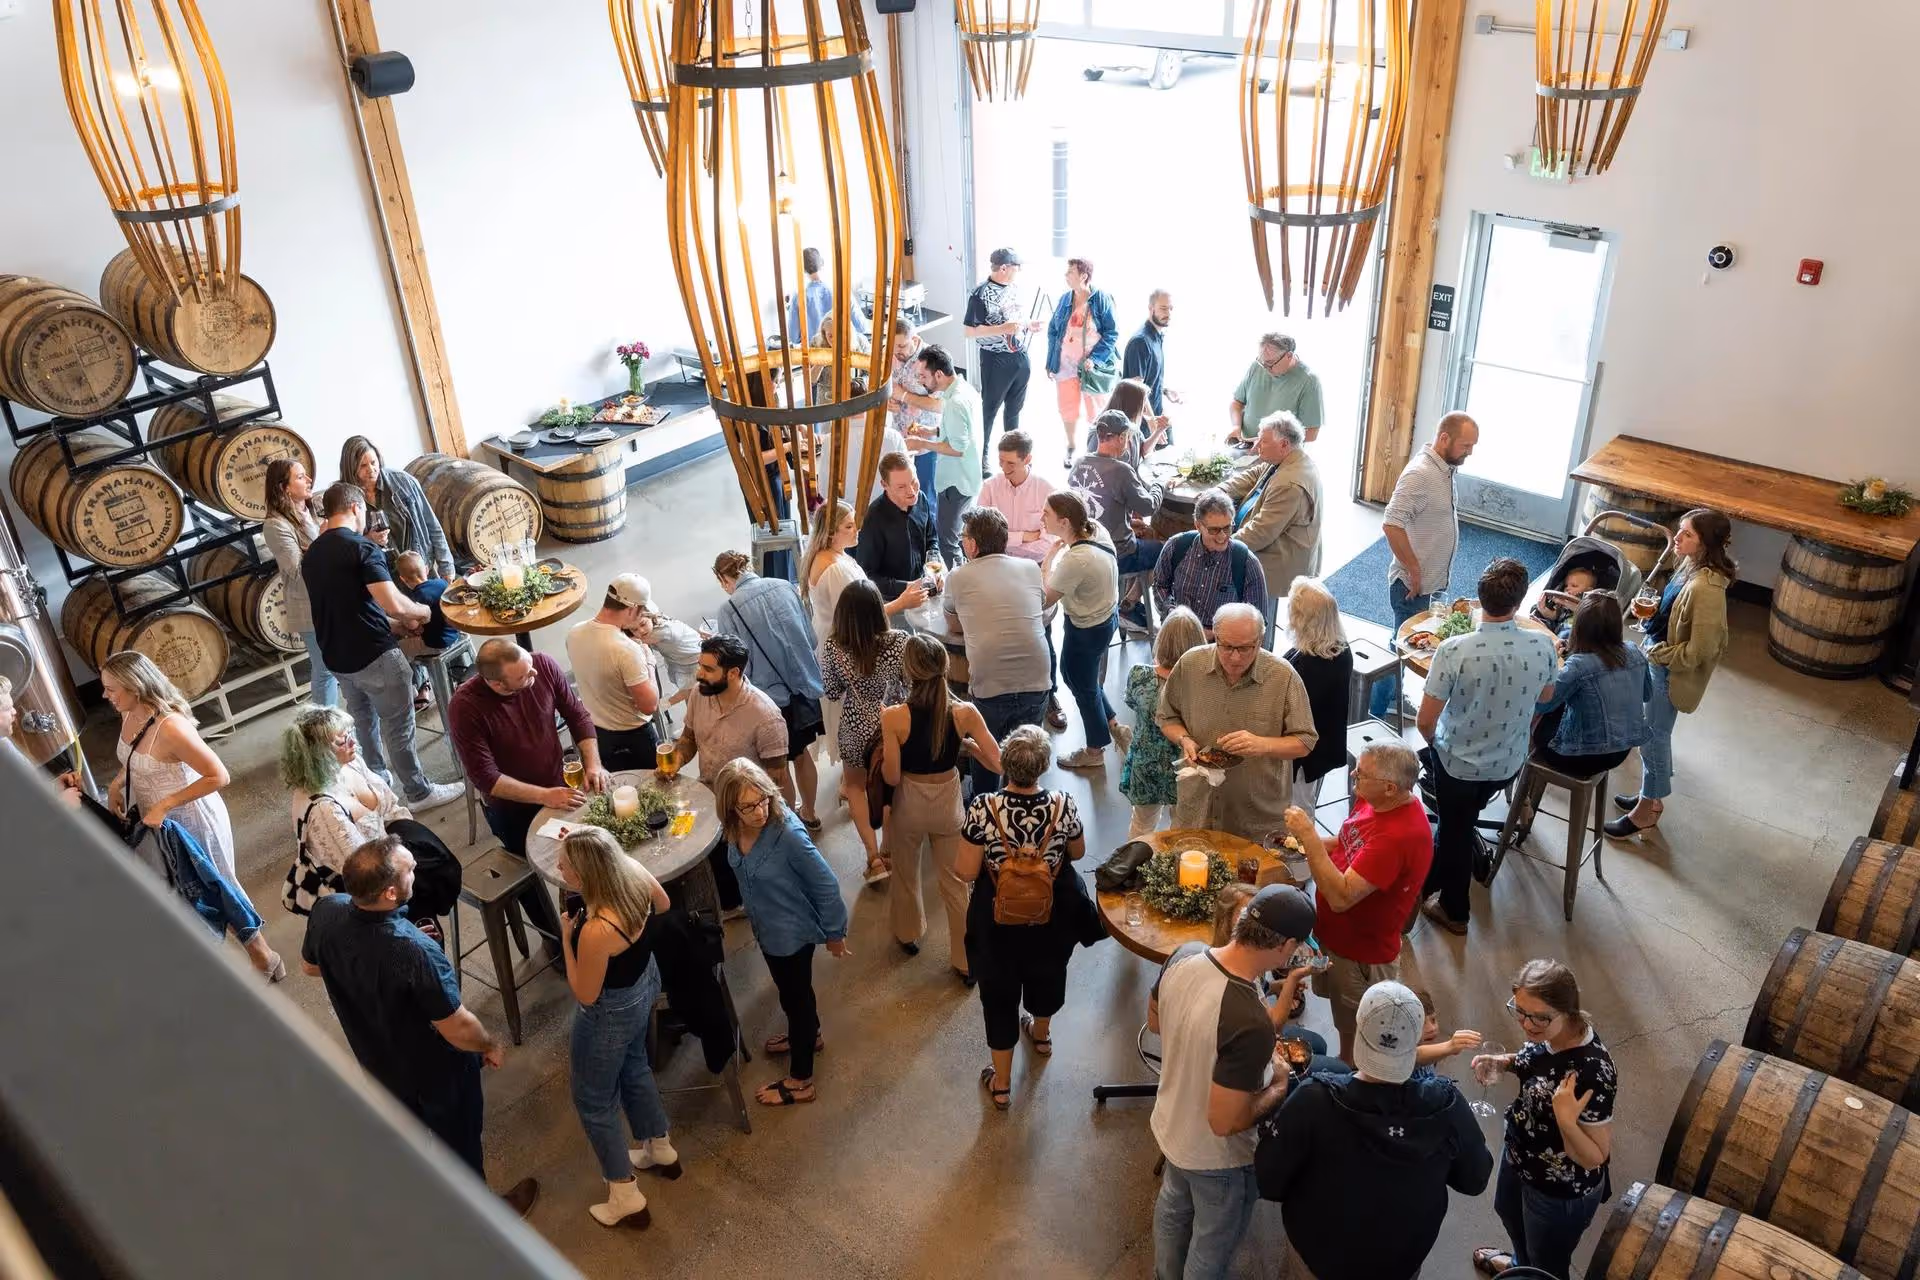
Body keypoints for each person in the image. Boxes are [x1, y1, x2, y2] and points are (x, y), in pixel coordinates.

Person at [301, 836, 538, 1217]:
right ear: (391, 893)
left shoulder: (328, 910)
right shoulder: (414, 950)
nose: (418, 871)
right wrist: (489, 1045)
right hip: (436, 1073)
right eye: (411, 869)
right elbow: (458, 1027)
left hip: (378, 1062)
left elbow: (310, 966)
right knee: (459, 1144)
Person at [1255, 981, 1493, 1280]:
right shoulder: (1445, 1104)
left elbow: (1268, 1180)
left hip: (1319, 1257)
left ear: (1359, 1030)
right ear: (1417, 1040)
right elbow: (1475, 1178)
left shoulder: (1313, 1100)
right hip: (1400, 1261)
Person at [1149, 884, 1318, 1280]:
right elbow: (1224, 1122)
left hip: (1172, 1126)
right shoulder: (1249, 1019)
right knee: (1211, 1245)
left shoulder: (1184, 959)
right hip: (1217, 1159)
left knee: (1173, 1211)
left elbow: (1160, 1022)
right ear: (1287, 945)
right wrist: (1279, 1084)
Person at [1416, 558, 1559, 936]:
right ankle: (1440, 867)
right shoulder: (1543, 646)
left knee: (1455, 829)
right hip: (1509, 761)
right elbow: (1545, 696)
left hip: (1458, 762)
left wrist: (1437, 747)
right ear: (1519, 601)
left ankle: (1454, 909)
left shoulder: (1453, 650)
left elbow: (1425, 721)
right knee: (1457, 822)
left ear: (1479, 600)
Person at [302, 482, 462, 811]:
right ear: (356, 508)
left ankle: (378, 785)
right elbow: (393, 604)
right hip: (374, 654)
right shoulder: (361, 548)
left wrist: (395, 624)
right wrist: (424, 611)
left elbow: (351, 609)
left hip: (337, 656)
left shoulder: (313, 554)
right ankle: (418, 792)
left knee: (364, 721)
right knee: (398, 726)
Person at [448, 640, 609, 953]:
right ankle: (557, 944)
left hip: (557, 786)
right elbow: (486, 777)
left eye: (530, 666)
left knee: (582, 857)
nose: (534, 672)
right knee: (529, 876)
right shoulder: (465, 707)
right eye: (523, 676)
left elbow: (577, 715)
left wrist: (594, 763)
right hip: (511, 808)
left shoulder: (542, 665)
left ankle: (589, 924)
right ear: (496, 684)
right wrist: (544, 796)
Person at [957, 725, 1088, 1110]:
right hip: (1049, 916)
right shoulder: (1064, 804)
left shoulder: (983, 807)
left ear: (1005, 764)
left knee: (998, 996)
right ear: (1044, 766)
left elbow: (965, 871)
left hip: (997, 919)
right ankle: (1041, 1035)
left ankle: (1001, 1084)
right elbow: (1077, 854)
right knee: (1048, 971)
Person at [556, 827, 678, 1228]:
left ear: (587, 875)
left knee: (593, 1101)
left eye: (565, 864)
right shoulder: (629, 870)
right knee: (634, 1064)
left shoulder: (597, 931)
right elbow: (663, 903)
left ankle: (624, 1193)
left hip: (610, 1012)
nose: (558, 867)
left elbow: (586, 994)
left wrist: (566, 939)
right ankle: (659, 1146)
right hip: (645, 985)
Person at [712, 758, 851, 1106]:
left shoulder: (787, 833)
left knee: (796, 999)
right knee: (793, 994)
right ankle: (809, 1034)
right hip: (768, 932)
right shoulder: (733, 830)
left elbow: (826, 885)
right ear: (730, 808)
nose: (760, 811)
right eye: (748, 805)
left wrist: (835, 933)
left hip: (791, 937)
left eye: (763, 800)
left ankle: (801, 1080)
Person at [1281, 741, 1431, 1062]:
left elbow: (1341, 897)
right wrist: (1299, 844)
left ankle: (1347, 1079)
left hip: (1360, 954)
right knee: (1341, 1016)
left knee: (1357, 1032)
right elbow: (1347, 840)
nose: (1353, 775)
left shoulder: (1397, 837)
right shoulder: (1376, 801)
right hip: (1336, 938)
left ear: (1391, 787)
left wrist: (1308, 835)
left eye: (1361, 773)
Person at [1470, 960, 1616, 1280]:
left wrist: (1566, 1121)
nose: (1526, 1024)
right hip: (1522, 1156)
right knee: (1508, 1214)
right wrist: (1503, 1062)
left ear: (1568, 1012)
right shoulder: (1548, 1037)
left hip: (1558, 1188)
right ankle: (1518, 1267)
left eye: (1538, 1017)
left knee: (1546, 1262)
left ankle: (1530, 1272)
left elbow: (1595, 1157)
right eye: (1519, 1011)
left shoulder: (1594, 1070)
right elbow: (1530, 1061)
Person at [880, 634, 1003, 983]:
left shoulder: (893, 717)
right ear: (945, 667)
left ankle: (908, 934)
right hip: (948, 802)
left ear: (908, 671)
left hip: (909, 802)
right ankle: (965, 962)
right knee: (955, 884)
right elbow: (997, 762)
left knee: (906, 872)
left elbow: (890, 777)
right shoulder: (964, 712)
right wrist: (967, 747)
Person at [1608, 508, 1734, 840]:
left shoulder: (1707, 590)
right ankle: (1649, 795)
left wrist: (1657, 652)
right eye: (1680, 530)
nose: (1676, 538)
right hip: (1658, 661)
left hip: (1669, 672)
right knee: (1649, 733)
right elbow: (1670, 614)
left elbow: (1701, 651)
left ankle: (1648, 810)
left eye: (1687, 534)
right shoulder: (1689, 567)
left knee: (1653, 737)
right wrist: (1647, 617)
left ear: (1705, 543)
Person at [1156, 603, 1318, 841]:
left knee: (1251, 878)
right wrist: (1185, 739)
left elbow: (1305, 740)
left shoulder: (1283, 677)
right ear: (1215, 636)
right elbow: (1166, 716)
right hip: (1198, 807)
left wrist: (1262, 744)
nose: (1235, 657)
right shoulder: (1190, 665)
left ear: (1260, 641)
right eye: (1227, 647)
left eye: (1245, 648)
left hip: (1256, 817)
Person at [673, 634, 794, 913]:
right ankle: (731, 906)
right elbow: (689, 738)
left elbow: (776, 778)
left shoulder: (765, 716)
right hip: (708, 800)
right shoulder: (699, 694)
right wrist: (677, 759)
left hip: (746, 811)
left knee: (750, 870)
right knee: (717, 863)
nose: (698, 674)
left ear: (734, 673)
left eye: (707, 669)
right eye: (699, 665)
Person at [1372, 411, 1480, 717]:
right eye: (1465, 445)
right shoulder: (1420, 474)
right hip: (1412, 585)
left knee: (1408, 643)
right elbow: (1392, 523)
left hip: (1431, 583)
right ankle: (1375, 714)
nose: (1469, 452)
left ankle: (1391, 699)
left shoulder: (1445, 469)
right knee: (1402, 649)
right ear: (1444, 438)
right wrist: (1414, 569)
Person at [941, 506, 1052, 793]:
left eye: (964, 536)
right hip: (1037, 681)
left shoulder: (957, 576)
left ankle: (986, 804)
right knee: (1026, 756)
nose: (962, 541)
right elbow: (1037, 606)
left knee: (987, 753)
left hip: (990, 685)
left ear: (973, 545)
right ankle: (1023, 804)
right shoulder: (1030, 568)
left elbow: (953, 625)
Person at [714, 550, 827, 829]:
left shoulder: (729, 610)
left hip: (769, 700)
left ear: (723, 579)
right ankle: (810, 813)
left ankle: (792, 826)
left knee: (779, 767)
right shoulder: (784, 585)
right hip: (803, 689)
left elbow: (737, 667)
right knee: (802, 755)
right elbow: (811, 638)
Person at [280, 703, 413, 908]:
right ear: (317, 755)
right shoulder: (324, 810)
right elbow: (365, 873)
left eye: (349, 732)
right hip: (377, 892)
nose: (352, 742)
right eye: (342, 740)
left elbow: (390, 804)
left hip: (393, 856)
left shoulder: (350, 762)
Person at [821, 579, 908, 883]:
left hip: (855, 725)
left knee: (856, 788)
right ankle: (887, 849)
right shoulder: (899, 641)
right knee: (890, 790)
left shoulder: (834, 646)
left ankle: (872, 858)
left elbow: (831, 691)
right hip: (892, 723)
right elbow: (910, 685)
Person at [1040, 492, 1126, 770]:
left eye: (1046, 515)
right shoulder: (1096, 530)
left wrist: (1047, 562)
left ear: (1064, 522)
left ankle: (1094, 750)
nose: (1041, 518)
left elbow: (1045, 599)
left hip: (1086, 629)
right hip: (1106, 617)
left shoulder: (1076, 560)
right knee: (1079, 678)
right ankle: (1113, 724)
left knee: (1082, 685)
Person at [1529, 594, 1648, 786]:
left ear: (1579, 628)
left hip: (1579, 756)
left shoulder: (1579, 665)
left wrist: (1551, 660)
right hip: (1622, 750)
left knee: (1535, 713)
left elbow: (1543, 704)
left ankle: (1523, 790)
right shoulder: (1634, 650)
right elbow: (1646, 694)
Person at [1220, 411, 1322, 634]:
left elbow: (1260, 533)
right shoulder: (1285, 459)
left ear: (1284, 444)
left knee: (1253, 623)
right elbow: (1253, 474)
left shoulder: (1290, 483)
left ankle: (1252, 647)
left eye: (1263, 441)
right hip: (1271, 543)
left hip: (1278, 557)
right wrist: (1220, 491)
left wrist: (1222, 546)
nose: (1257, 446)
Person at [1068, 409, 1164, 630]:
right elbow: (1148, 507)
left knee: (1144, 533)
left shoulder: (1079, 462)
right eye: (1128, 438)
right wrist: (1160, 485)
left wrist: (1128, 524)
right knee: (1167, 550)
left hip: (1086, 547)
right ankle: (1128, 605)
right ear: (1121, 438)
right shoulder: (1121, 470)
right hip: (1117, 554)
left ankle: (1127, 603)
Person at [1120, 607, 1207, 837]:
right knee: (1181, 828)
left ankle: (1135, 868)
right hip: (1184, 767)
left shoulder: (1139, 674)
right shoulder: (1201, 687)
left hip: (1146, 764)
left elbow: (1131, 702)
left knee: (1141, 824)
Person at [566, 577, 664, 772]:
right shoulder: (626, 650)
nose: (642, 616)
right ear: (631, 609)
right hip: (633, 736)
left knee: (613, 792)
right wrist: (650, 663)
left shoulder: (574, 633)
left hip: (597, 733)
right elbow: (649, 705)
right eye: (642, 611)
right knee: (652, 792)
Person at [263, 456, 334, 706]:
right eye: (301, 476)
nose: (309, 479)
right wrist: (325, 540)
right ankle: (327, 731)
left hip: (332, 598)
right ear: (284, 487)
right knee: (325, 670)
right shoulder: (275, 525)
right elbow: (296, 569)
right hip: (309, 606)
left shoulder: (311, 510)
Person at [964, 246, 1045, 464]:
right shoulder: (980, 294)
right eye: (1016, 267)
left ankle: (1013, 455)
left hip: (1019, 355)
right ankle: (982, 456)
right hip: (995, 358)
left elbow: (1015, 319)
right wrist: (1001, 329)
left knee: (1014, 410)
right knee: (989, 408)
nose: (1018, 271)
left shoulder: (1014, 287)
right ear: (1003, 268)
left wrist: (1028, 324)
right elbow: (969, 331)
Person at [338, 435, 455, 581]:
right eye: (363, 465)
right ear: (351, 467)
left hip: (421, 570)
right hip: (383, 580)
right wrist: (369, 539)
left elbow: (431, 524)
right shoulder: (343, 498)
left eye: (374, 462)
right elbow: (343, 546)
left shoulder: (403, 481)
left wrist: (446, 566)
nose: (371, 469)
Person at [1153, 488, 1268, 635]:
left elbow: (1259, 621)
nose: (1222, 536)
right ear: (1198, 525)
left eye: (1227, 528)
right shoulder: (1176, 546)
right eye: (1214, 530)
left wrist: (1216, 634)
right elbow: (1159, 585)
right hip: (1178, 634)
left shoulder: (1246, 562)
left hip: (1221, 646)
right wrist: (1174, 614)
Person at [1282, 577, 1352, 802]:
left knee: (1297, 810)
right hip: (1321, 747)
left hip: (1305, 754)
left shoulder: (1311, 666)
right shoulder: (1337, 647)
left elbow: (1290, 713)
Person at [912, 345, 982, 568]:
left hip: (956, 480)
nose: (921, 382)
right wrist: (932, 431)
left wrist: (921, 443)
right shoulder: (965, 389)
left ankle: (957, 580)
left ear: (939, 374)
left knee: (947, 539)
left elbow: (958, 448)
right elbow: (962, 432)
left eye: (923, 376)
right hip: (968, 475)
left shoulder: (954, 403)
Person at [1044, 256, 1121, 459]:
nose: (1066, 276)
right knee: (1067, 408)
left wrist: (1095, 359)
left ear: (1083, 276)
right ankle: (1070, 446)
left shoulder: (1101, 299)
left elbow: (1112, 333)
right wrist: (1051, 360)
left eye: (1070, 272)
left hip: (1090, 367)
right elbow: (1053, 330)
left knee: (1095, 409)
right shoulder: (1065, 299)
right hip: (1065, 364)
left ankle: (1096, 449)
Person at [855, 452, 940, 600]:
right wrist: (908, 586)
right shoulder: (874, 519)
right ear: (884, 485)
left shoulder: (922, 499)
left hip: (923, 587)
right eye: (901, 487)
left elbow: (931, 538)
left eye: (914, 481)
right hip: (892, 599)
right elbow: (867, 575)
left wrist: (935, 570)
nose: (912, 491)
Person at [974, 430, 1057, 564]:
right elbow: (980, 534)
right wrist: (1024, 536)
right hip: (998, 562)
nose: (1004, 468)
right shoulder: (989, 487)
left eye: (1011, 463)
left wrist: (1002, 540)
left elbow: (1047, 545)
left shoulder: (1047, 491)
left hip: (1034, 564)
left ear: (1027, 459)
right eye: (1001, 461)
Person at [1228, 332, 1323, 446]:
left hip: (1281, 454)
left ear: (1289, 356)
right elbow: (1237, 402)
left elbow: (1312, 433)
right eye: (1262, 361)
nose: (1265, 367)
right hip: (1246, 445)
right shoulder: (1257, 366)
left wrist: (1271, 442)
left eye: (1270, 363)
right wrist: (1236, 427)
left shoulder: (1309, 381)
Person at [886, 328, 942, 517]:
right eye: (893, 348)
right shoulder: (891, 354)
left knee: (926, 495)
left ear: (915, 339)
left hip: (924, 442)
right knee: (902, 493)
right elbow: (884, 386)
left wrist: (904, 395)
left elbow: (940, 405)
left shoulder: (932, 361)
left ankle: (929, 542)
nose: (897, 352)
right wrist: (888, 401)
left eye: (901, 346)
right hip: (900, 438)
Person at [784, 245, 866, 345]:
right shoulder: (842, 290)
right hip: (842, 352)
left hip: (815, 356)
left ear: (803, 269)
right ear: (822, 262)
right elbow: (862, 327)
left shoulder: (797, 297)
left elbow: (794, 338)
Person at [1122, 288, 1177, 432]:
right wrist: (1152, 421)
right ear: (1151, 308)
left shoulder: (1157, 337)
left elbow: (1149, 377)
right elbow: (1136, 389)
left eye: (1171, 308)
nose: (1169, 313)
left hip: (1157, 414)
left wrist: (1164, 390)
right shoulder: (1140, 342)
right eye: (1163, 308)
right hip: (1143, 423)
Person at [1085, 378, 1169, 464]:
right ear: (1131, 405)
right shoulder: (1099, 434)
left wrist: (1159, 430)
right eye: (1142, 404)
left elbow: (1143, 450)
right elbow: (1093, 466)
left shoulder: (1132, 426)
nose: (1144, 410)